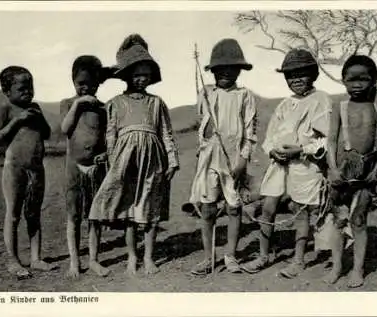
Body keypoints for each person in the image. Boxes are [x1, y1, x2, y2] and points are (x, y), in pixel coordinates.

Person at [89, 34, 180, 275]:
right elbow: (110, 135)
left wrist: (172, 160)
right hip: (124, 160)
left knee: (149, 211)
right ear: (127, 75)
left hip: (153, 160)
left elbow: (166, 133)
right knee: (129, 211)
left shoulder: (157, 103)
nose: (142, 79)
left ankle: (149, 257)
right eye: (137, 74)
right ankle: (132, 256)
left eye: (146, 75)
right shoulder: (116, 103)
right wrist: (111, 161)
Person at [242, 48, 332, 278]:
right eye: (290, 76)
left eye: (301, 74)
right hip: (278, 162)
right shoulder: (285, 104)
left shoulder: (320, 100)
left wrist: (301, 150)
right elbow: (270, 136)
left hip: (305, 163)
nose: (296, 80)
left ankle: (299, 260)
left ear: (312, 74)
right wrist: (272, 150)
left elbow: (327, 139)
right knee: (268, 207)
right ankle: (264, 255)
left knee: (300, 211)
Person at [189, 38, 258, 276]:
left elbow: (250, 131)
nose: (225, 74)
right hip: (209, 158)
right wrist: (203, 147)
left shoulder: (245, 96)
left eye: (232, 69)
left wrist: (243, 160)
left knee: (234, 207)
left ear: (239, 71)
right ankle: (208, 257)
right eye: (220, 69)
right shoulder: (205, 93)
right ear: (213, 71)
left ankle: (230, 255)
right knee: (208, 209)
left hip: (233, 158)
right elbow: (202, 123)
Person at [324, 55, 377, 288]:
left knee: (359, 221)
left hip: (367, 175)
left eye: (363, 79)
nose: (357, 85)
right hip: (342, 173)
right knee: (339, 221)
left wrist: (376, 171)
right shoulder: (339, 107)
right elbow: (331, 141)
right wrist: (332, 168)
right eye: (351, 80)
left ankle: (358, 269)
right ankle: (337, 266)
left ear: (373, 81)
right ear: (343, 81)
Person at [0, 66, 57, 279]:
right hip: (14, 169)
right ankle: (13, 261)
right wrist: (18, 120)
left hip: (37, 169)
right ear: (7, 91)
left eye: (30, 87)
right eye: (22, 88)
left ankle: (36, 258)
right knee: (13, 214)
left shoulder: (35, 108)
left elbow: (47, 134)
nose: (28, 92)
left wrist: (38, 119)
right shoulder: (6, 108)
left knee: (34, 213)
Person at [60, 56, 112, 278]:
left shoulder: (103, 108)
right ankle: (74, 261)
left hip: (96, 168)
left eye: (91, 83)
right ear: (73, 81)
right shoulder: (67, 104)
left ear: (98, 83)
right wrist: (78, 104)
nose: (86, 87)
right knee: (73, 216)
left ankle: (93, 260)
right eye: (80, 83)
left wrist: (105, 154)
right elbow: (65, 128)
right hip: (74, 168)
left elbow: (108, 137)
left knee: (95, 216)